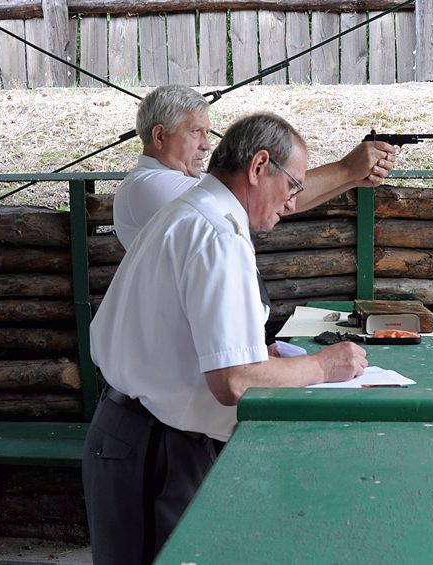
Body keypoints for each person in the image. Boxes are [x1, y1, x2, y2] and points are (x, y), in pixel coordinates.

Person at [82, 113, 368, 565]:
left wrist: (259, 354)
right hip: (158, 448)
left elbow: (194, 339)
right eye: (292, 185)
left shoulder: (191, 212)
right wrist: (322, 366)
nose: (293, 203)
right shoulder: (217, 233)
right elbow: (233, 382)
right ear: (258, 167)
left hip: (136, 434)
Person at [114, 85, 397, 248]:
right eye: (195, 132)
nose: (206, 144)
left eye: (206, 133)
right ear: (160, 136)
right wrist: (346, 170)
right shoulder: (150, 185)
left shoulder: (160, 183)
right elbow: (261, 197)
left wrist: (351, 178)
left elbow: (281, 200)